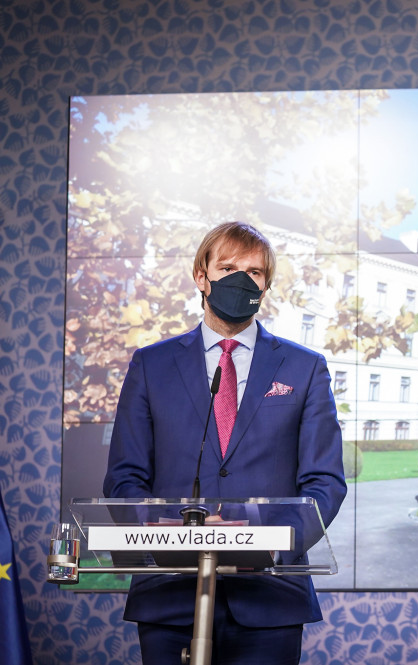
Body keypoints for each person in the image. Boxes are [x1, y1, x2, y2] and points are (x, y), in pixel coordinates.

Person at [104, 221, 347, 665]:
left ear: (266, 286)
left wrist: (271, 542)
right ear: (202, 276)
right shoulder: (151, 365)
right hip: (169, 597)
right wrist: (160, 533)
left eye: (254, 272)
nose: (242, 280)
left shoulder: (305, 367)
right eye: (228, 268)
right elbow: (125, 478)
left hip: (270, 599)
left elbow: (324, 482)